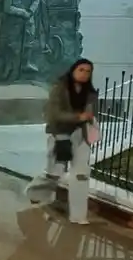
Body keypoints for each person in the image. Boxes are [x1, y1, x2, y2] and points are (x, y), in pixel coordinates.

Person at [26, 58, 97, 224]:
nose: (85, 74)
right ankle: (34, 193)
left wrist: (90, 124)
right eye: (81, 70)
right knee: (54, 173)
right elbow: (54, 115)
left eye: (88, 71)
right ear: (73, 71)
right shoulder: (59, 89)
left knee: (81, 175)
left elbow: (91, 114)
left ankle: (78, 216)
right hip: (61, 134)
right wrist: (77, 117)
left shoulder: (91, 93)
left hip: (81, 135)